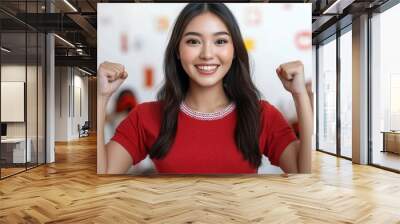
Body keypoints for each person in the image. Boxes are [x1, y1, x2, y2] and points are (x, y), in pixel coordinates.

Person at [97, 3, 312, 174]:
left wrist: (300, 95)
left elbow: (302, 173)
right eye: (193, 42)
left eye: (220, 41)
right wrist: (101, 98)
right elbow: (103, 173)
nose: (207, 54)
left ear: (234, 50)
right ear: (177, 51)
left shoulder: (262, 115)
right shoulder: (145, 116)